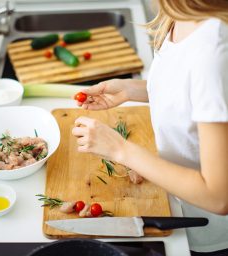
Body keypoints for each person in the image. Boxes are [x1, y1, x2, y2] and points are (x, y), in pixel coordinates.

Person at [72, 1, 228, 255]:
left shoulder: (215, 50)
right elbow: (188, 95)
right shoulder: (178, 16)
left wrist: (120, 149)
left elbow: (218, 197)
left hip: (206, 230)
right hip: (173, 205)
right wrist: (131, 89)